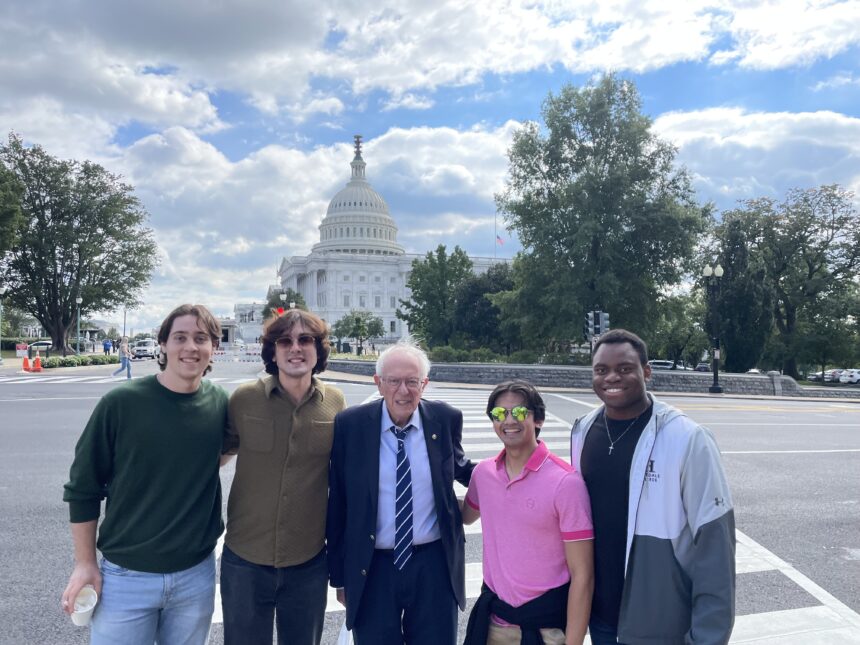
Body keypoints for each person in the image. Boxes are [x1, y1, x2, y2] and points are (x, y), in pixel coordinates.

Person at [61, 304, 233, 645]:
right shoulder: (121, 403)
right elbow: (83, 488)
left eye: (201, 338)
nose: (190, 347)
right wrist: (84, 563)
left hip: (195, 573)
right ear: (163, 344)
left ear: (214, 347)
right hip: (126, 575)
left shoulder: (221, 403)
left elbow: (221, 452)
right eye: (180, 337)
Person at [569, 329, 735, 645]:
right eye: (601, 370)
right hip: (600, 619)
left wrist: (708, 636)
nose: (612, 377)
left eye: (625, 368)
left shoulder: (688, 438)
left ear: (647, 371)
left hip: (661, 623)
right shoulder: (583, 430)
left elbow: (715, 547)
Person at [327, 339, 475, 645]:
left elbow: (464, 470)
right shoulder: (351, 425)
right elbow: (338, 502)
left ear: (425, 384)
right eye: (394, 381)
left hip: (434, 564)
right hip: (373, 566)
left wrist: (514, 471)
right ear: (378, 383)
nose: (403, 391)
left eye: (412, 381)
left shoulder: (445, 419)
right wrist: (340, 576)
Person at [220, 309, 346, 645]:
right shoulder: (244, 399)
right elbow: (214, 457)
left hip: (307, 562)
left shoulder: (335, 402)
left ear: (318, 350)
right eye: (285, 340)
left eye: (305, 340)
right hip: (245, 559)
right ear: (272, 351)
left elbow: (346, 479)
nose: (295, 348)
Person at [462, 380, 594, 645]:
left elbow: (583, 575)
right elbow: (465, 515)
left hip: (546, 632)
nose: (509, 420)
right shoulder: (483, 474)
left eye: (520, 412)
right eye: (499, 414)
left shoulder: (566, 483)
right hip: (494, 626)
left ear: (539, 420)